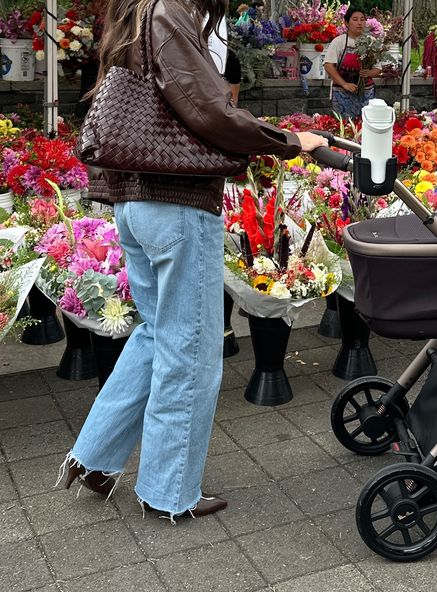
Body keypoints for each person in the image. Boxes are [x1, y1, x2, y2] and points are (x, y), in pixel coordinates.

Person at [58, 0, 328, 523]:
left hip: (135, 199)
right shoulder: (171, 11)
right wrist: (291, 141)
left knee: (157, 334)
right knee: (192, 348)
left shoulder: (134, 11)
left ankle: (92, 458)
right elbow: (208, 110)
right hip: (176, 202)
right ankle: (168, 491)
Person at [324, 7, 382, 119]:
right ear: (346, 23)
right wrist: (344, 84)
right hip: (342, 93)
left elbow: (378, 68)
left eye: (362, 19)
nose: (359, 23)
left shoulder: (372, 42)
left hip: (366, 93)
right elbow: (328, 65)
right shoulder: (339, 42)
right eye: (355, 19)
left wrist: (368, 73)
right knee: (344, 126)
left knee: (365, 124)